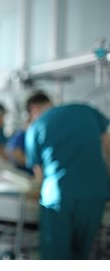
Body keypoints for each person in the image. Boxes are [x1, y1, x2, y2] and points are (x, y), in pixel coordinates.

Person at [24, 90, 110, 259]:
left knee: (56, 257)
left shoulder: (36, 126)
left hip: (58, 198)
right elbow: (108, 146)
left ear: (33, 108)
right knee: (82, 255)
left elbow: (39, 174)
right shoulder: (86, 111)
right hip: (95, 194)